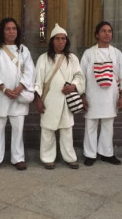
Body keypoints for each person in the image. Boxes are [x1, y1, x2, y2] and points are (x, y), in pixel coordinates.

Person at [0, 17, 35, 171]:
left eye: (14, 29)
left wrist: (20, 88)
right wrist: (4, 89)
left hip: (18, 95)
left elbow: (30, 70)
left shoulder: (23, 50)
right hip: (1, 95)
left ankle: (18, 158)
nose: (11, 31)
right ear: (2, 31)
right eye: (8, 29)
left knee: (18, 128)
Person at [80, 21, 122, 166]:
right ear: (97, 34)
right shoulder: (88, 53)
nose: (107, 33)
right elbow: (81, 76)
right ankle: (90, 154)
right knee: (91, 124)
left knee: (108, 125)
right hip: (92, 95)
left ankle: (106, 153)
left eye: (109, 31)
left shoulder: (117, 54)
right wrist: (82, 96)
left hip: (111, 96)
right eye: (103, 31)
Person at [34, 23, 85, 170]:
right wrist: (37, 100)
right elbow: (38, 81)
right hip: (49, 100)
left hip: (66, 101)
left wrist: (73, 86)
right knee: (47, 130)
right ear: (52, 41)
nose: (61, 41)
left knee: (67, 130)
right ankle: (47, 158)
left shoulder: (72, 58)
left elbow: (79, 77)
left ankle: (70, 158)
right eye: (57, 39)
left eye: (63, 39)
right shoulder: (43, 59)